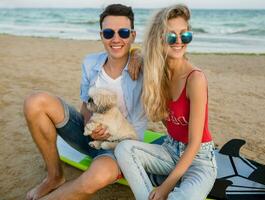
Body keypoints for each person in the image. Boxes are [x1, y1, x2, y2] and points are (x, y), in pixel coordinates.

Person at [23, 4, 146, 200]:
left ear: (132, 35)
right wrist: (90, 123)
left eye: (123, 32)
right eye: (108, 33)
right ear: (101, 35)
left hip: (119, 147)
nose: (116, 39)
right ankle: (54, 176)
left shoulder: (143, 67)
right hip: (88, 134)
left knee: (97, 177)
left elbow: (174, 59)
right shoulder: (90, 62)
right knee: (34, 102)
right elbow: (85, 105)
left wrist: (139, 53)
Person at [115, 4, 217, 200]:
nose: (179, 41)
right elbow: (140, 53)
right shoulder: (155, 71)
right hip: (169, 150)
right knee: (124, 149)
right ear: (158, 38)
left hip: (199, 160)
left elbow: (194, 143)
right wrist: (135, 53)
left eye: (184, 35)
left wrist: (165, 189)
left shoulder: (195, 79)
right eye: (171, 36)